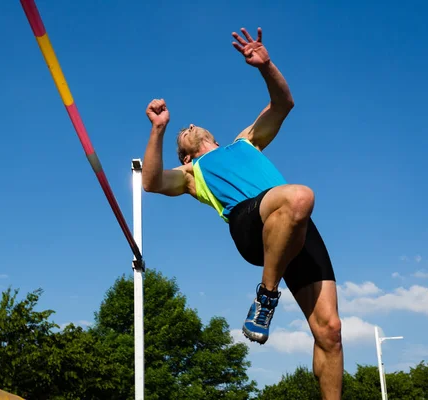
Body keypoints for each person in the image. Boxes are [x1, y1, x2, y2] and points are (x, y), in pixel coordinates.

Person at [141, 26, 343, 398]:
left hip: (295, 225)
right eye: (180, 135)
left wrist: (265, 66)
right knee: (299, 196)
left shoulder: (246, 141)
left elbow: (283, 105)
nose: (186, 126)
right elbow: (151, 182)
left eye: (187, 127)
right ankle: (266, 296)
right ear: (186, 155)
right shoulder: (191, 173)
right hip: (251, 223)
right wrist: (158, 130)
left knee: (329, 331)